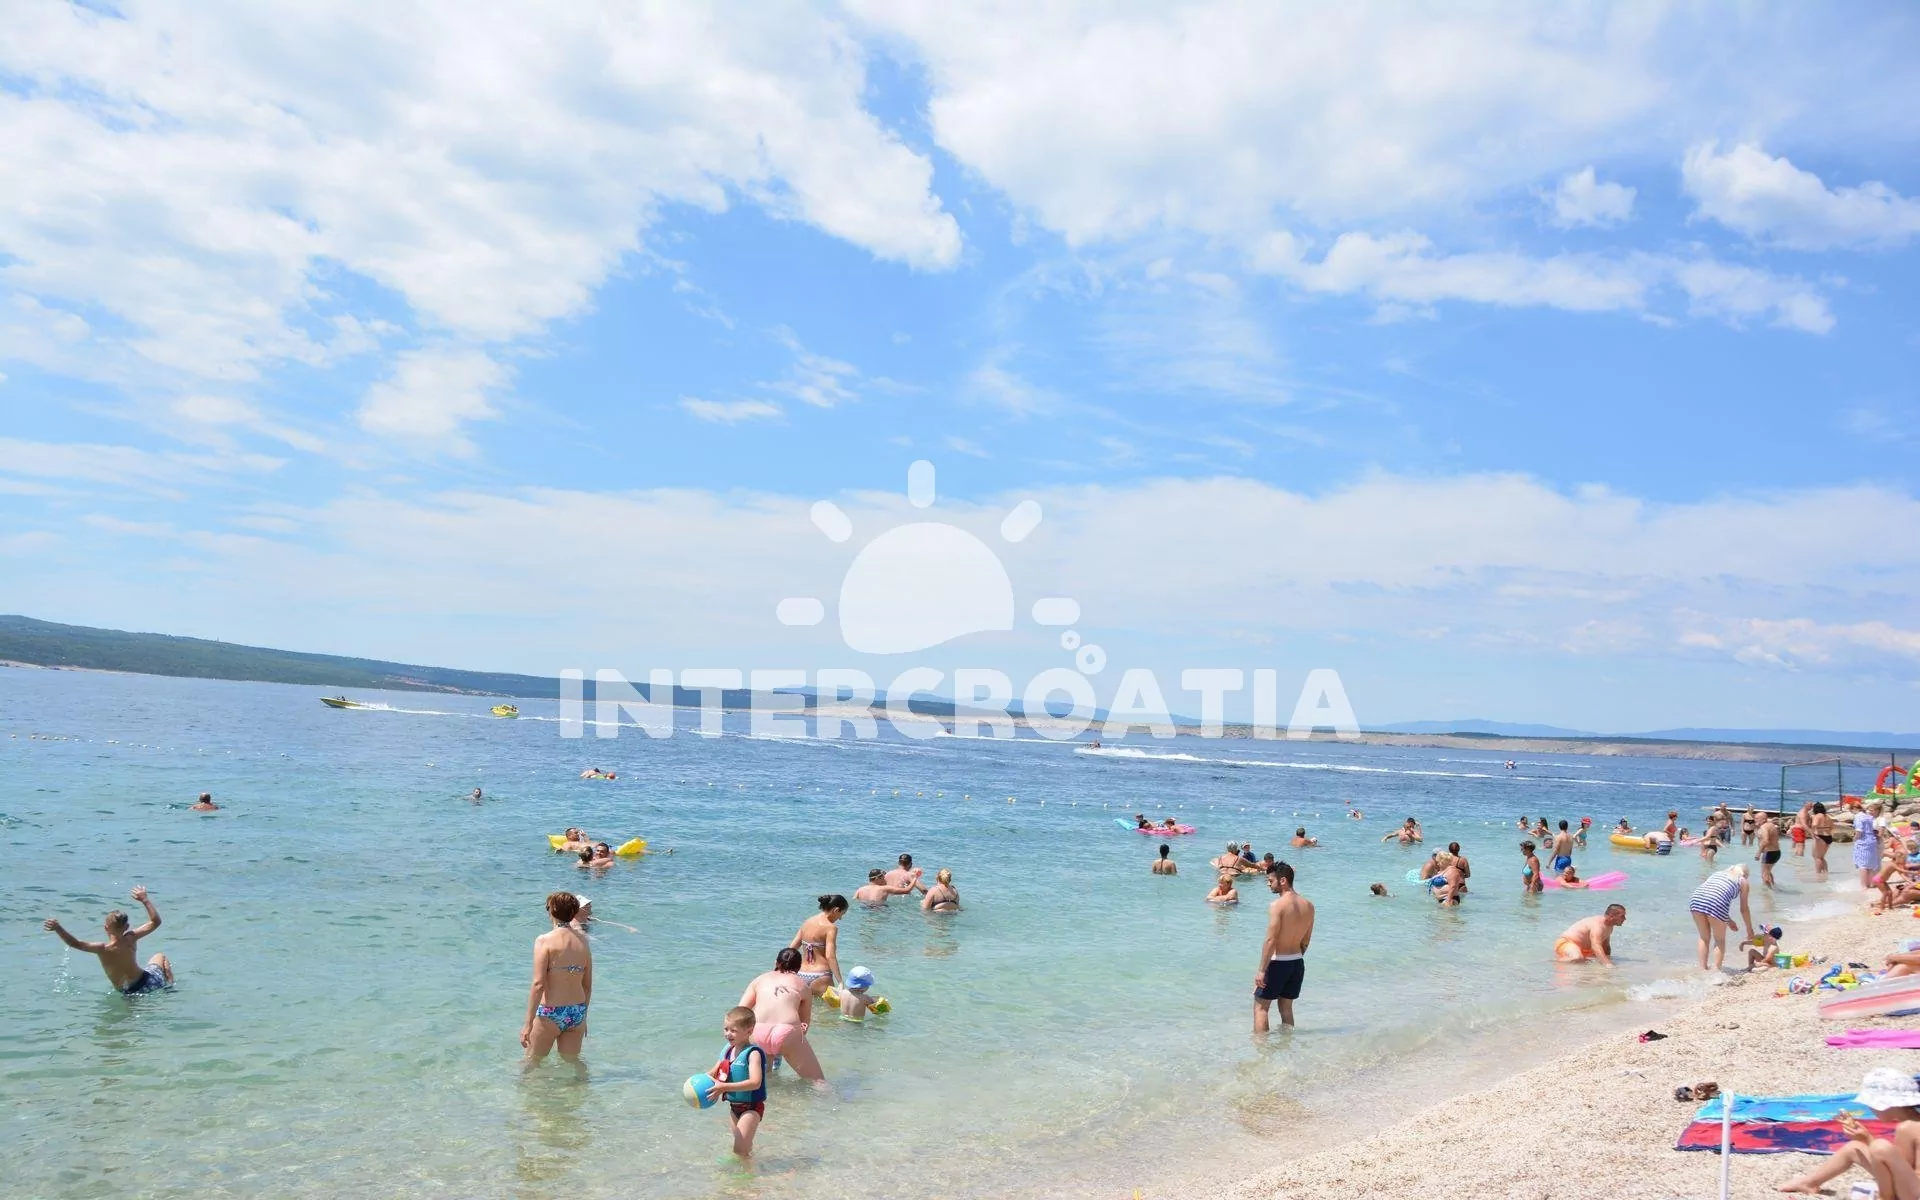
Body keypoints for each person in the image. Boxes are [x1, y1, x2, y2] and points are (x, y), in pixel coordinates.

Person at [1778, 1068, 1920, 1196]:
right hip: (1911, 1185)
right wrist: (1865, 1139)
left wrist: (1868, 1139)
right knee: (1854, 1148)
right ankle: (1809, 1183)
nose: (1871, 1108)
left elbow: (1899, 1170)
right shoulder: (1912, 1121)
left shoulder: (1907, 1127)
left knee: (1880, 1147)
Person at [42, 885, 173, 995]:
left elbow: (75, 944)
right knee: (160, 956)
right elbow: (155, 922)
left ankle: (132, 1005)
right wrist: (145, 900)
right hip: (150, 982)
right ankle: (170, 987)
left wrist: (58, 928)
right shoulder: (131, 937)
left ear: (106, 928)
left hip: (129, 992)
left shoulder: (103, 949)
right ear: (126, 927)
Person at [520, 892, 592, 1064]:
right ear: (574, 912)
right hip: (576, 1012)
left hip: (550, 1013)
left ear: (551, 911)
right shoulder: (583, 941)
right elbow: (587, 985)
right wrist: (583, 1016)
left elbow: (538, 984)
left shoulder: (544, 941)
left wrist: (528, 1024)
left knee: (531, 1064)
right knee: (573, 1064)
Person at [740, 946, 826, 1085]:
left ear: (776, 962)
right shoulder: (803, 986)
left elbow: (740, 1011)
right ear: (799, 967)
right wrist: (787, 1045)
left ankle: (772, 1098)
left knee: (764, 1080)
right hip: (786, 1031)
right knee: (818, 1081)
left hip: (758, 1030)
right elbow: (804, 1024)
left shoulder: (759, 980)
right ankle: (833, 1099)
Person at [1253, 860, 1313, 1033]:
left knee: (1261, 1007)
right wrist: (1293, 959)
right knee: (1286, 1008)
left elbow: (1270, 940)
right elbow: (1305, 941)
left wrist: (1262, 971)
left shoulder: (1277, 906)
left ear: (1283, 880)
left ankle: (1261, 1048)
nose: (1268, 884)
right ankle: (1287, 1044)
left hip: (1277, 962)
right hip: (1297, 963)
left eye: (1271, 881)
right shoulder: (1309, 906)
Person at [708, 1006, 770, 1160]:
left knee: (739, 1150)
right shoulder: (727, 1051)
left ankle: (746, 1173)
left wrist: (724, 1087)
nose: (728, 1034)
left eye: (733, 1030)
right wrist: (696, 1084)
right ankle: (750, 1169)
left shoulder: (753, 1053)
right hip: (734, 1107)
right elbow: (712, 1073)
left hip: (752, 1108)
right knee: (744, 1147)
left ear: (749, 1031)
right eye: (726, 1029)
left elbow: (755, 1083)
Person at [1688, 863, 1755, 972]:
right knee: (1719, 940)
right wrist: (1749, 929)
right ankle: (1716, 972)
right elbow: (1744, 909)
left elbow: (1712, 895)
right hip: (1716, 903)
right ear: (1744, 874)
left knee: (1704, 938)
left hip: (1696, 899)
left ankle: (1702, 970)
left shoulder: (1718, 873)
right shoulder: (1742, 881)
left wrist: (1728, 921)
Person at [790, 896, 848, 997]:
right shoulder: (831, 928)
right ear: (836, 910)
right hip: (821, 975)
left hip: (801, 973)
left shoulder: (807, 922)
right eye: (841, 914)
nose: (840, 918)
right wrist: (840, 981)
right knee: (827, 1007)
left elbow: (791, 949)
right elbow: (830, 956)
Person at [1553, 904, 1627, 965]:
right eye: (1622, 916)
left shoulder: (1609, 926)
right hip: (1567, 942)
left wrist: (1608, 959)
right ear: (1611, 916)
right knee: (1577, 958)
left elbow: (1606, 946)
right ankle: (1552, 963)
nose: (1624, 919)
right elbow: (1595, 946)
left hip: (1584, 949)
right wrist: (1608, 964)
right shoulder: (1598, 925)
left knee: (1598, 961)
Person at [1858, 803, 1886, 890]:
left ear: (1878, 811)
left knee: (1876, 862)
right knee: (1869, 862)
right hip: (1869, 843)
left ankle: (1876, 882)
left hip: (1877, 843)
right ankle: (1871, 881)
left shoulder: (1881, 819)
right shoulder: (1869, 818)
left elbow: (1881, 832)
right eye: (1869, 810)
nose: (1869, 812)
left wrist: (1875, 839)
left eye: (1872, 810)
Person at [1755, 811, 1782, 888]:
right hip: (1776, 852)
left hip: (1769, 853)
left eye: (1757, 818)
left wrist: (1758, 852)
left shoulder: (1764, 827)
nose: (1755, 820)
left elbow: (1765, 841)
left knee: (1764, 875)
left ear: (1763, 819)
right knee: (1768, 872)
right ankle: (1774, 887)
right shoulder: (1770, 825)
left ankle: (1768, 893)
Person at [1811, 802, 1834, 879]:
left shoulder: (1817, 816)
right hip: (1828, 837)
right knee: (1821, 857)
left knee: (1817, 857)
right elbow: (1832, 827)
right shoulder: (1827, 816)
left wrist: (1812, 832)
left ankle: (1818, 874)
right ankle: (1825, 873)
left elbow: (1814, 824)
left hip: (1820, 836)